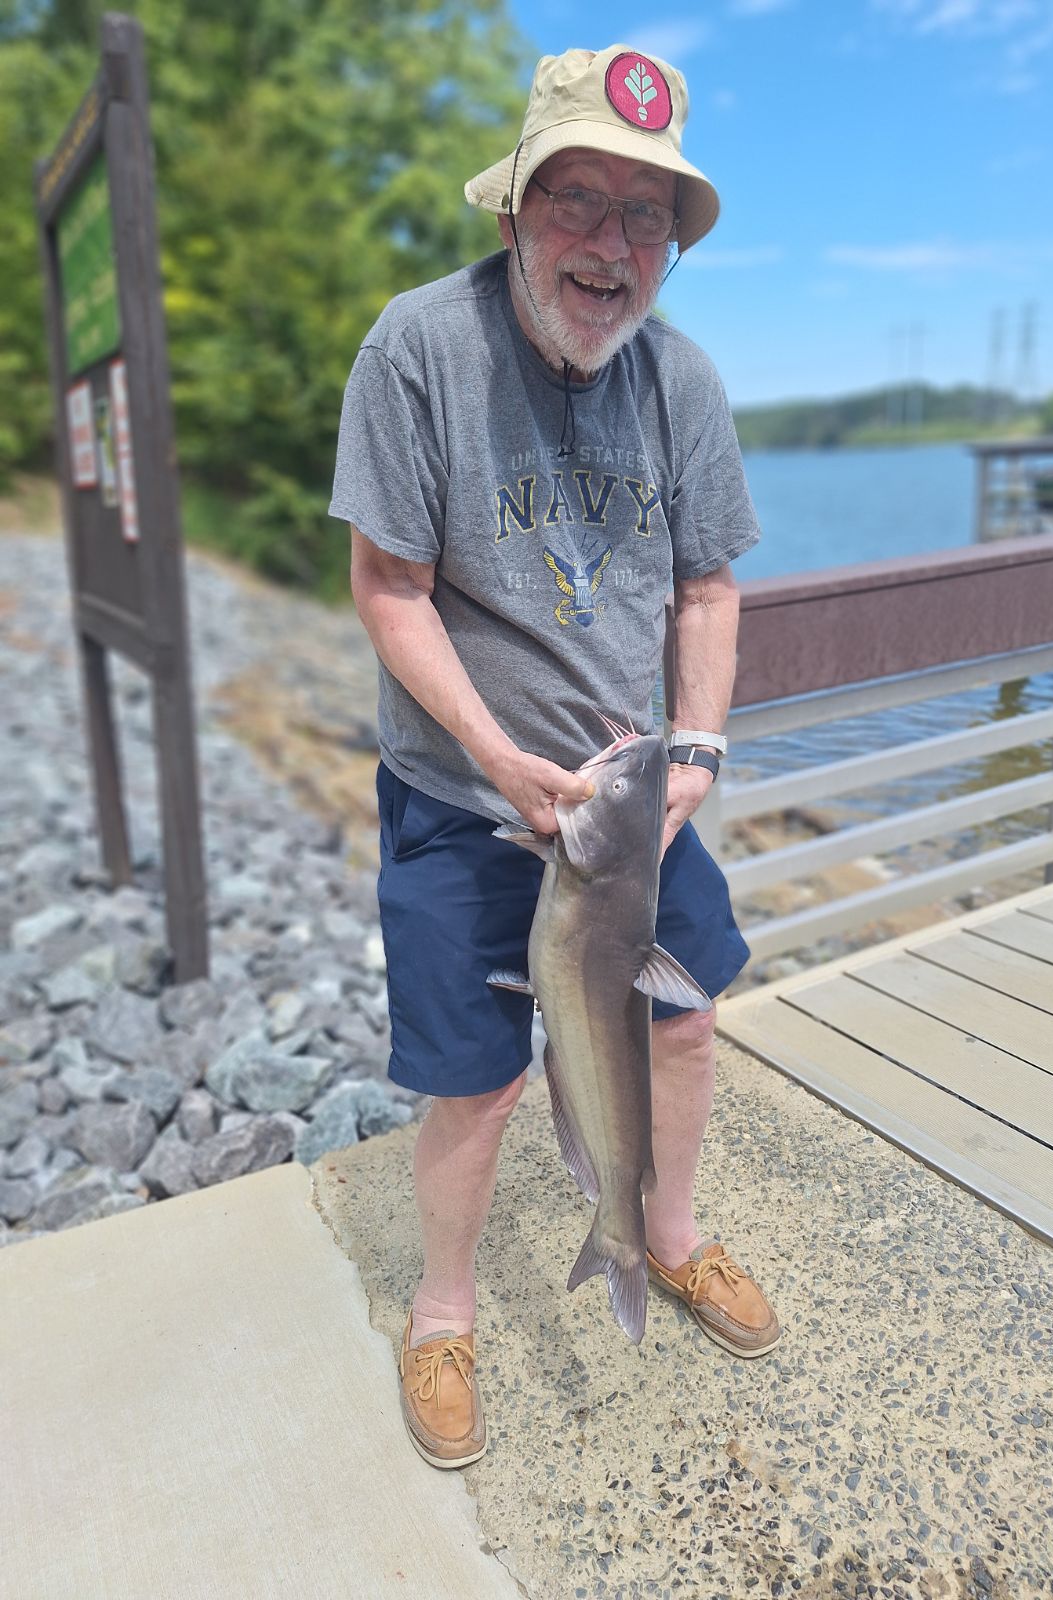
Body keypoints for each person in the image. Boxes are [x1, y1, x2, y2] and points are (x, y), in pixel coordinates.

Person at [329, 42, 778, 1471]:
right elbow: (389, 583)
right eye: (578, 201)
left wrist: (694, 754)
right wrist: (495, 751)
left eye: (646, 216)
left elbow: (707, 586)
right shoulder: (419, 348)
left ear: (671, 248)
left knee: (690, 1015)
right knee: (477, 1076)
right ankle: (444, 1310)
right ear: (514, 210)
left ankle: (667, 1235)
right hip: (468, 794)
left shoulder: (683, 383)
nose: (610, 245)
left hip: (633, 804)